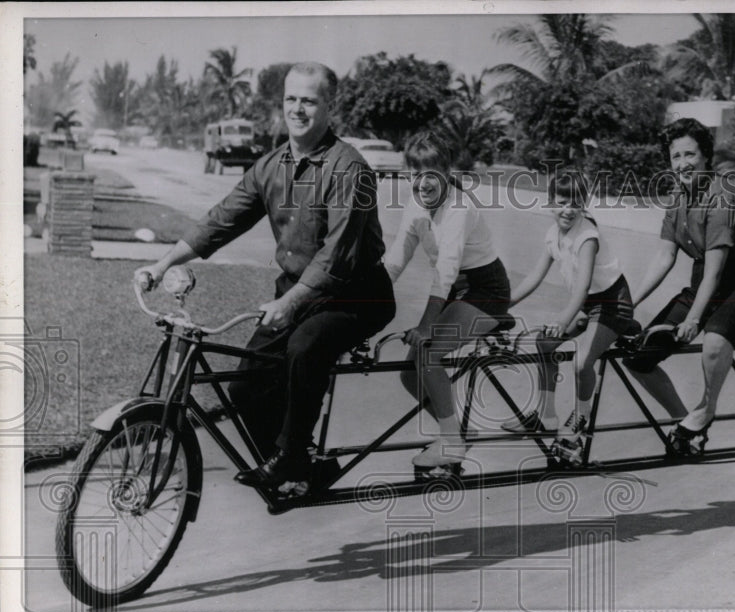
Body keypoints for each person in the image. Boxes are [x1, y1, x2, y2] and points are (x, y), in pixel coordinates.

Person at [133, 62, 395, 496]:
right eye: (291, 98)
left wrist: (289, 304)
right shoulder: (270, 166)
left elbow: (338, 255)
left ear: (330, 106)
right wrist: (161, 265)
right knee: (244, 387)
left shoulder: (350, 168)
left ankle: (293, 455)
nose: (297, 108)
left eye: (309, 100)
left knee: (304, 346)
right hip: (297, 291)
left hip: (357, 294)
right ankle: (297, 465)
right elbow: (220, 222)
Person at [623, 118, 735, 456]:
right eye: (675, 157)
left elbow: (716, 269)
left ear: (706, 156)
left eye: (690, 154)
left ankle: (704, 412)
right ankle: (687, 425)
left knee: (714, 339)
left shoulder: (725, 195)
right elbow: (664, 257)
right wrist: (627, 304)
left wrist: (693, 318)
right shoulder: (678, 197)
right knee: (637, 358)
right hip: (707, 287)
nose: (682, 164)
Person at [383, 132, 511, 472]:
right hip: (458, 291)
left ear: (446, 171)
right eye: (415, 174)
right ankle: (451, 433)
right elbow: (397, 258)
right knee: (410, 375)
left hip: (487, 291)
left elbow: (446, 270)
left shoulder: (459, 207)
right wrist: (364, 298)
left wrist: (426, 325)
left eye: (431, 174)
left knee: (428, 354)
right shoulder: (415, 204)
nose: (423, 183)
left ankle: (452, 442)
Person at [502, 169, 634, 465]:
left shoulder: (587, 235)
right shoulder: (553, 234)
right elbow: (536, 274)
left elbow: (584, 285)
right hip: (588, 306)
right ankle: (546, 414)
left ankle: (581, 417)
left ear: (584, 203)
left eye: (575, 202)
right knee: (543, 344)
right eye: (562, 201)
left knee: (581, 362)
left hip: (614, 306)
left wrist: (562, 320)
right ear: (550, 202)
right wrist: (504, 304)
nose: (568, 209)